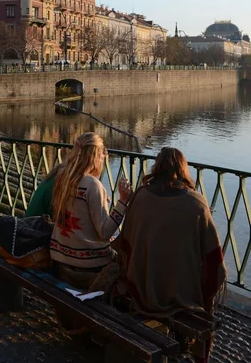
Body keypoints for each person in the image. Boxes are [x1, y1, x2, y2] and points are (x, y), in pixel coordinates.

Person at [116, 147, 226, 363]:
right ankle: (201, 357)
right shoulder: (197, 203)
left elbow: (125, 247)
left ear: (156, 167)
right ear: (183, 169)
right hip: (184, 298)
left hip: (142, 291)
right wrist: (203, 295)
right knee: (207, 302)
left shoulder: (140, 196)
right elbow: (215, 263)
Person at [50, 132, 132, 289]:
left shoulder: (62, 177)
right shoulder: (92, 185)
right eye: (103, 155)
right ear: (96, 156)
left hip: (60, 258)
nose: (104, 159)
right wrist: (123, 201)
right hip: (87, 265)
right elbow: (105, 233)